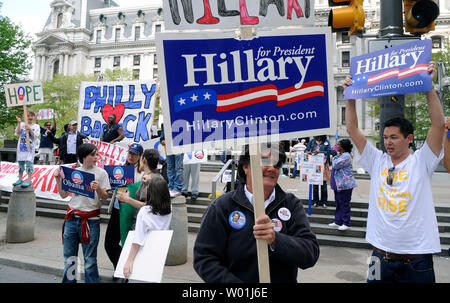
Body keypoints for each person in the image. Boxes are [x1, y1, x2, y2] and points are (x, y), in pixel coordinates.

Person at [343, 61, 444, 283]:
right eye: (385, 137)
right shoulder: (377, 160)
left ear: (408, 139)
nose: (388, 142)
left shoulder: (422, 161)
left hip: (417, 262)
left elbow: (438, 125)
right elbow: (352, 129)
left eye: (394, 137)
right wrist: (349, 97)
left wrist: (429, 87)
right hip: (379, 257)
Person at [193, 143, 320, 283]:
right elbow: (204, 259)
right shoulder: (222, 206)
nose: (272, 168)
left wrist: (276, 240)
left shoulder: (291, 205)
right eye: (264, 161)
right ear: (245, 167)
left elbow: (310, 253)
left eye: (277, 164)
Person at [54, 143, 111, 283]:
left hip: (91, 221)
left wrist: (98, 188)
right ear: (84, 157)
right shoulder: (74, 172)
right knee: (70, 259)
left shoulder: (101, 173)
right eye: (93, 155)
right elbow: (63, 194)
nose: (96, 157)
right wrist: (57, 179)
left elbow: (105, 197)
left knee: (90, 260)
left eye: (97, 154)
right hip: (72, 220)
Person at [104, 143, 144, 272]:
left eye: (135, 154)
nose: (131, 156)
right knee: (109, 243)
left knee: (127, 243)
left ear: (140, 156)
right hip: (117, 209)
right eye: (130, 153)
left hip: (130, 212)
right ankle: (120, 267)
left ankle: (126, 270)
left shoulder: (142, 173)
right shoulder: (120, 168)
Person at [123, 177, 172, 279]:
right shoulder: (169, 208)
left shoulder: (144, 211)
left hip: (143, 250)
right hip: (158, 250)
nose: (145, 189)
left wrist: (129, 260)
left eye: (147, 187)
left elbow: (138, 239)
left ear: (152, 192)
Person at [328, 139, 357, 231]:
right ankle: (338, 221)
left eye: (338, 144)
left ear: (343, 147)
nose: (336, 145)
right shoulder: (340, 155)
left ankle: (346, 223)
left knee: (344, 203)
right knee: (338, 203)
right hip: (339, 184)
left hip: (345, 184)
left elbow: (335, 165)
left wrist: (334, 156)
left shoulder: (346, 156)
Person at [13, 111, 40, 187]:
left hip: (30, 148)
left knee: (29, 163)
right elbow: (17, 133)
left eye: (32, 115)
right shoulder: (22, 124)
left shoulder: (36, 126)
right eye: (28, 116)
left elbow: (35, 137)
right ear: (26, 117)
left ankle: (28, 180)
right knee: (21, 163)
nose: (30, 117)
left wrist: (30, 130)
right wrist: (19, 123)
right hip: (21, 147)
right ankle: (20, 179)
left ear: (34, 117)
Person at [305, 135, 331, 207]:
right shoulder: (312, 142)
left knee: (324, 185)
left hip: (323, 166)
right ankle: (315, 201)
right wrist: (310, 152)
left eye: (320, 136)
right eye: (317, 136)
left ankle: (324, 202)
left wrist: (319, 152)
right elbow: (306, 150)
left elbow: (329, 151)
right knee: (315, 184)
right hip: (314, 166)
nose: (318, 137)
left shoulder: (326, 142)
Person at [160, 125, 183, 197]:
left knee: (178, 168)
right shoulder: (166, 116)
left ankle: (177, 188)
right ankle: (171, 187)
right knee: (170, 167)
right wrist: (162, 138)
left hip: (179, 144)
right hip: (168, 145)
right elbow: (164, 126)